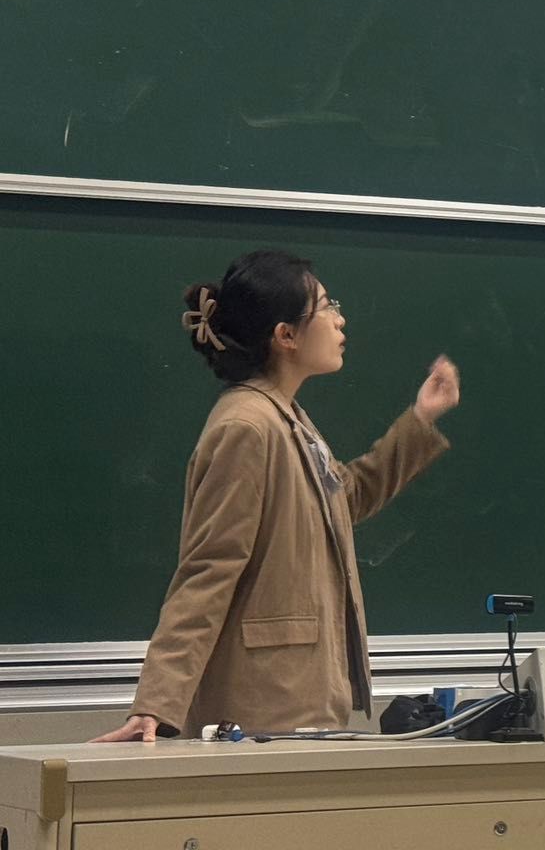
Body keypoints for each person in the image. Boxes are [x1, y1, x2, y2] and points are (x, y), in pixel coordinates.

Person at [92, 249, 460, 742]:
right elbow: (209, 569)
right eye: (326, 307)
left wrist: (420, 421)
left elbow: (345, 499)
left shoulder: (285, 417)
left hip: (297, 697)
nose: (340, 319)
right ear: (285, 335)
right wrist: (157, 702)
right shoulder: (247, 427)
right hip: (265, 706)